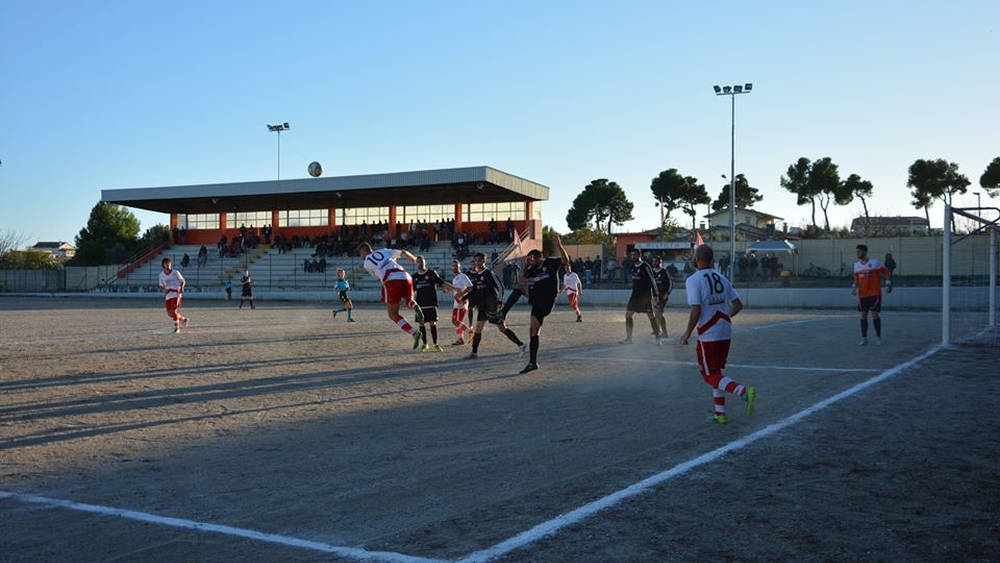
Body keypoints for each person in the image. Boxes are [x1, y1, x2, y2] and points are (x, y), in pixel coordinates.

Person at [680, 244, 756, 425]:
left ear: (696, 259)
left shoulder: (693, 280)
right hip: (725, 331)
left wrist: (687, 333)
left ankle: (743, 391)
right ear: (712, 259)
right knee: (717, 372)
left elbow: (696, 309)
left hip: (708, 333)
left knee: (708, 375)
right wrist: (723, 316)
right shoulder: (722, 277)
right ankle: (720, 413)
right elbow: (738, 304)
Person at [488, 235, 571, 374]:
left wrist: (559, 246)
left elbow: (566, 261)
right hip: (537, 299)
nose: (530, 261)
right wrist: (525, 265)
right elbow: (521, 278)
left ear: (539, 257)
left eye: (532, 258)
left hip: (547, 300)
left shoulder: (549, 262)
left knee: (521, 288)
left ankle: (502, 313)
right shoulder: (531, 268)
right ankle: (533, 363)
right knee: (533, 331)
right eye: (529, 259)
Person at [458, 252, 525, 360]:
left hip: (492, 306)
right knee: (478, 329)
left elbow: (500, 287)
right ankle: (474, 353)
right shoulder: (477, 275)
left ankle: (521, 344)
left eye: (479, 260)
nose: (477, 262)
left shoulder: (488, 273)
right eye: (475, 260)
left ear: (484, 261)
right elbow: (475, 290)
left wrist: (499, 302)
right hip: (483, 307)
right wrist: (464, 298)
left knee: (502, 328)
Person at [359, 242, 423, 350]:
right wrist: (414, 259)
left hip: (391, 280)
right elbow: (404, 252)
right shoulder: (384, 251)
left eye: (360, 254)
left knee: (393, 314)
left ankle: (414, 333)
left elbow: (376, 278)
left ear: (363, 252)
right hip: (405, 276)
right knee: (408, 301)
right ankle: (414, 306)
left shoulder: (366, 263)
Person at [412, 256, 455, 352]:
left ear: (425, 262)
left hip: (431, 303)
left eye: (421, 262)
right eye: (418, 262)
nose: (420, 263)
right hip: (420, 305)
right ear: (416, 263)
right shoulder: (414, 277)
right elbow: (411, 291)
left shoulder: (431, 274)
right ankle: (424, 344)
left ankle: (435, 344)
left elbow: (441, 282)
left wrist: (454, 288)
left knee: (433, 323)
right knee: (421, 324)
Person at [853, 244, 892, 345]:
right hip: (862, 295)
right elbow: (856, 279)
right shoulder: (856, 265)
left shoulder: (875, 263)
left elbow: (886, 272)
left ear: (865, 252)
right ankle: (864, 338)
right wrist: (854, 286)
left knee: (875, 314)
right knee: (863, 316)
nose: (857, 253)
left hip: (874, 293)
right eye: (856, 252)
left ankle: (878, 337)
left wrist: (888, 282)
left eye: (859, 251)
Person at [621, 249, 661, 344]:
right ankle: (629, 338)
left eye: (634, 255)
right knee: (628, 314)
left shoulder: (645, 266)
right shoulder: (632, 267)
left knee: (651, 316)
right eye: (631, 255)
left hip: (645, 296)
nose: (632, 256)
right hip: (635, 295)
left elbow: (652, 280)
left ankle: (658, 338)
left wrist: (655, 295)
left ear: (639, 255)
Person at [158, 257, 188, 334]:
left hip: (176, 294)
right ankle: (183, 319)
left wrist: (181, 287)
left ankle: (176, 328)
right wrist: (164, 289)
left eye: (169, 264)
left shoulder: (176, 272)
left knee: (174, 311)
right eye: (166, 264)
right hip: (168, 295)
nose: (168, 265)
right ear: (163, 265)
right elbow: (161, 285)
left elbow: (183, 281)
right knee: (170, 314)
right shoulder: (161, 275)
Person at [450, 259, 473, 345]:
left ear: (459, 266)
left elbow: (470, 287)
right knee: (457, 321)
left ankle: (470, 332)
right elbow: (456, 291)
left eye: (456, 265)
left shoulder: (462, 276)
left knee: (455, 321)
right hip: (456, 302)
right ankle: (460, 339)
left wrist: (461, 294)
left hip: (462, 301)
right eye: (453, 266)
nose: (454, 267)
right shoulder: (455, 278)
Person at [651, 255, 672, 337]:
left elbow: (670, 283)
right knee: (656, 313)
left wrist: (667, 293)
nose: (654, 263)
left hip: (663, 296)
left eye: (655, 261)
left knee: (659, 313)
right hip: (655, 297)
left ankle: (664, 332)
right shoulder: (652, 272)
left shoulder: (664, 271)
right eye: (653, 261)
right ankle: (658, 329)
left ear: (660, 262)